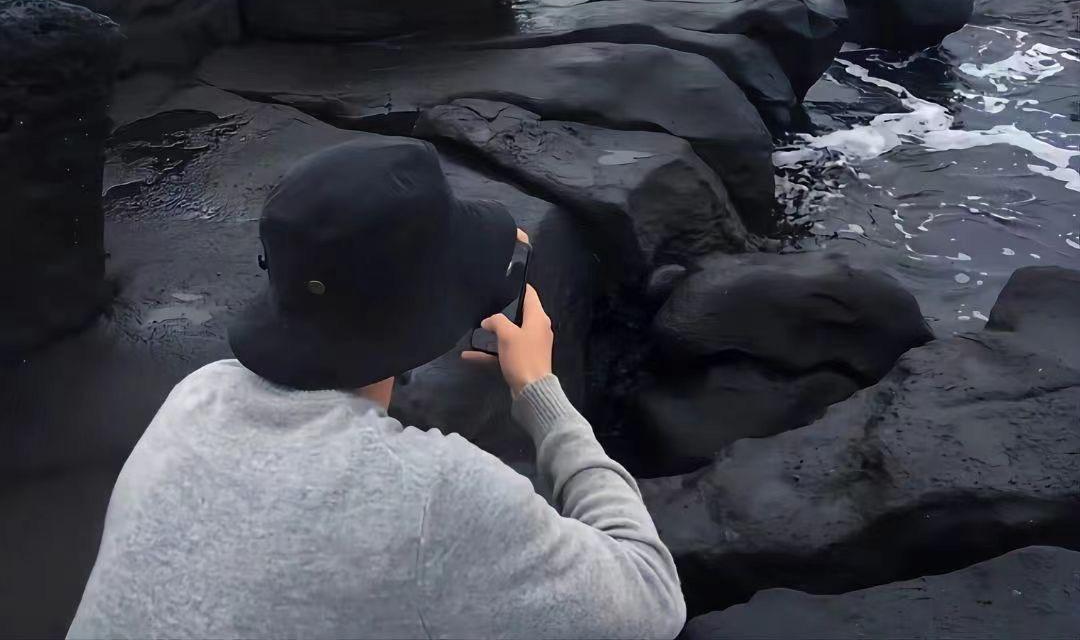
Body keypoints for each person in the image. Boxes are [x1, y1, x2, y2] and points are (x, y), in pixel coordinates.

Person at [67, 137, 686, 640]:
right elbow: (652, 599)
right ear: (433, 305)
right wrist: (541, 394)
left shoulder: (195, 399)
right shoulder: (433, 496)